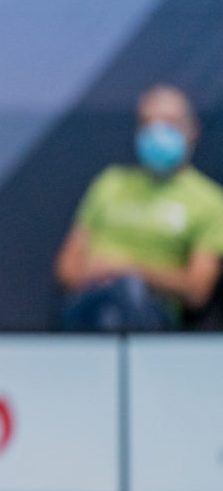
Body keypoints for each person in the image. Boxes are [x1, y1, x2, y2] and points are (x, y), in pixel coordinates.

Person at [54, 84, 223, 331]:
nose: (157, 132)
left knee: (129, 294)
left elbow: (197, 290)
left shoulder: (210, 201)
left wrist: (130, 270)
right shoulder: (109, 184)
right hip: (89, 306)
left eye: (169, 123)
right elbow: (66, 268)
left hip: (151, 316)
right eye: (148, 123)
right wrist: (96, 274)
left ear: (193, 130)